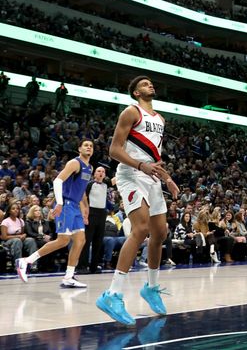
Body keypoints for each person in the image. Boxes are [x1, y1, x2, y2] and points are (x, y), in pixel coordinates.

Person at [96, 76, 179, 326]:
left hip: (151, 176)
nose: (150, 85)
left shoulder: (160, 119)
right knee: (141, 229)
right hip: (131, 174)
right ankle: (112, 294)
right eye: (144, 84)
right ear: (135, 93)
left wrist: (168, 178)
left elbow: (155, 156)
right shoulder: (130, 113)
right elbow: (114, 150)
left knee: (160, 233)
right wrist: (140, 165)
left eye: (152, 83)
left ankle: (150, 288)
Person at [15, 140, 94, 287]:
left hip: (76, 207)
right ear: (79, 149)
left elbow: (81, 190)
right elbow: (58, 181)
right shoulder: (74, 163)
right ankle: (26, 261)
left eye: (91, 146)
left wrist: (85, 209)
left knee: (80, 240)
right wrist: (60, 202)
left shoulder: (90, 167)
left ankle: (69, 277)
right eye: (85, 145)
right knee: (63, 240)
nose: (89, 147)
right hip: (66, 204)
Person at [81, 166, 112, 273]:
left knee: (98, 241)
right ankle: (82, 266)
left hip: (102, 213)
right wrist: (85, 214)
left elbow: (116, 180)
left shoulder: (106, 185)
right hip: (91, 213)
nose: (101, 173)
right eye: (99, 171)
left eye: (103, 172)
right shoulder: (89, 184)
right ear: (94, 173)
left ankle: (94, 266)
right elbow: (83, 199)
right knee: (87, 240)